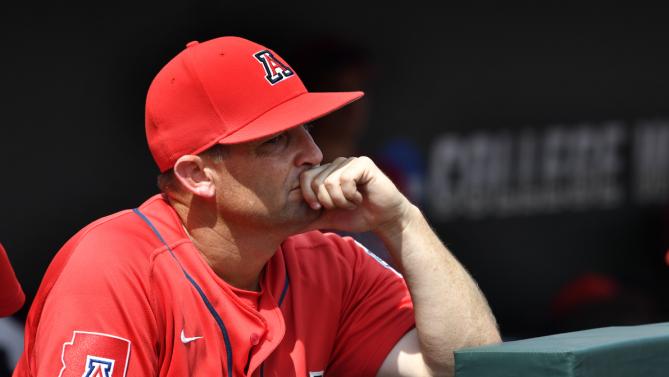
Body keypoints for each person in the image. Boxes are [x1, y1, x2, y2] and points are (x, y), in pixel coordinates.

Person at [14, 36, 500, 377]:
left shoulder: (329, 262)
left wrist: (403, 223)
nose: (312, 154)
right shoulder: (114, 269)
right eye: (275, 141)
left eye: (307, 129)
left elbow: (473, 369)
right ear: (197, 176)